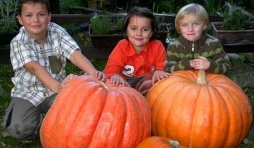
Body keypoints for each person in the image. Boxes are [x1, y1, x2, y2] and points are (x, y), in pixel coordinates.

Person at [1, 0, 107, 140]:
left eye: (41, 14)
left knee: (80, 113)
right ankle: (41, 124)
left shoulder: (57, 31)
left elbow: (74, 55)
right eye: (29, 15)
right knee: (18, 129)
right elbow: (34, 67)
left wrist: (94, 73)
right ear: (20, 19)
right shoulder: (18, 41)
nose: (35, 20)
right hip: (27, 92)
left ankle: (57, 124)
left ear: (49, 16)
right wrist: (58, 87)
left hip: (57, 90)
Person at [103, 6, 170, 96]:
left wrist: (159, 71)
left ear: (151, 33)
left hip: (146, 85)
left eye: (145, 29)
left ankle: (146, 104)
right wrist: (115, 75)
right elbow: (110, 71)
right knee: (112, 84)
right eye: (133, 29)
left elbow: (162, 68)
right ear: (127, 30)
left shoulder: (157, 46)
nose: (138, 33)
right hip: (125, 84)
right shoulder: (122, 46)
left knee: (155, 82)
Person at [165, 3, 231, 74]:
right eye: (185, 25)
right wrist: (186, 64)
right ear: (179, 27)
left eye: (196, 24)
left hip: (208, 82)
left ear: (204, 25)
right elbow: (168, 69)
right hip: (182, 83)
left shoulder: (214, 44)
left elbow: (227, 66)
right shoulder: (174, 47)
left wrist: (209, 65)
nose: (190, 29)